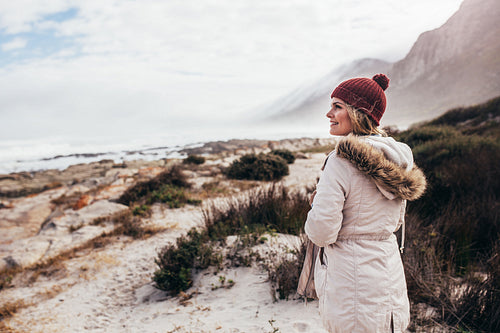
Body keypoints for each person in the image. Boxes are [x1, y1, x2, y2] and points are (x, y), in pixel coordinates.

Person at [298, 74, 427, 332]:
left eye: (338, 106)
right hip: (388, 270)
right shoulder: (398, 158)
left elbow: (322, 232)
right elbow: (394, 220)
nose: (328, 114)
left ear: (358, 112)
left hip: (350, 280)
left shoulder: (340, 160)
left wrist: (316, 205)